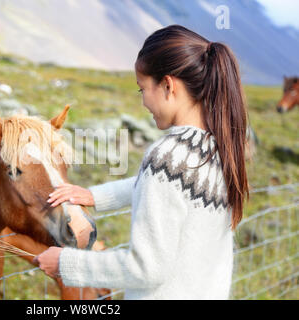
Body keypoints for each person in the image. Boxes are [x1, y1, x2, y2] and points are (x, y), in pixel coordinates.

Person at [34, 24, 249, 300]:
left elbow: (146, 268)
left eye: (142, 89)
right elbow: (171, 188)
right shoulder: (217, 149)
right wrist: (94, 196)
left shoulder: (166, 158)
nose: (144, 102)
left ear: (168, 85)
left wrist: (65, 263)